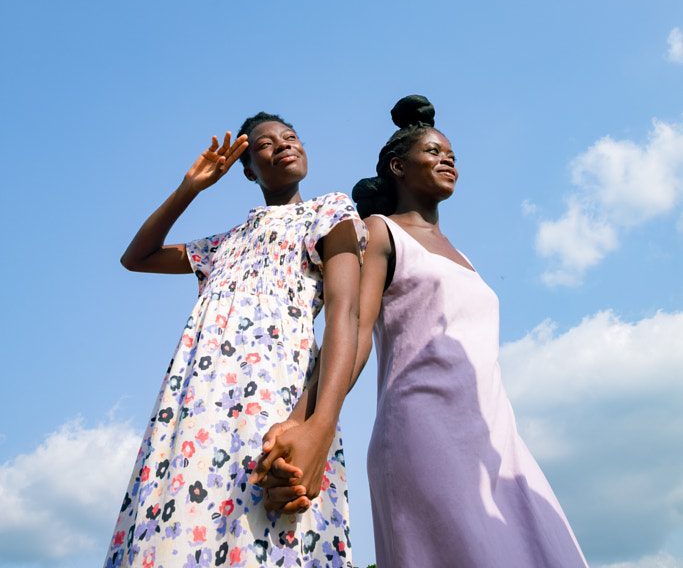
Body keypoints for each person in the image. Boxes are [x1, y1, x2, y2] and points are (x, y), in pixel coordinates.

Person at [104, 113, 366, 568]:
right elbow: (136, 256)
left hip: (276, 399)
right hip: (194, 409)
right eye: (264, 144)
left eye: (290, 137)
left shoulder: (329, 212)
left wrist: (318, 423)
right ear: (247, 170)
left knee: (265, 537)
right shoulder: (223, 245)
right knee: (175, 531)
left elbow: (348, 315)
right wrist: (191, 187)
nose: (282, 145)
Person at [348, 95, 589, 568]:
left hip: (497, 435)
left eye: (452, 155)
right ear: (398, 166)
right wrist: (310, 418)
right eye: (434, 152)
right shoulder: (379, 231)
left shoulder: (464, 256)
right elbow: (354, 330)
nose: (448, 160)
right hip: (423, 432)